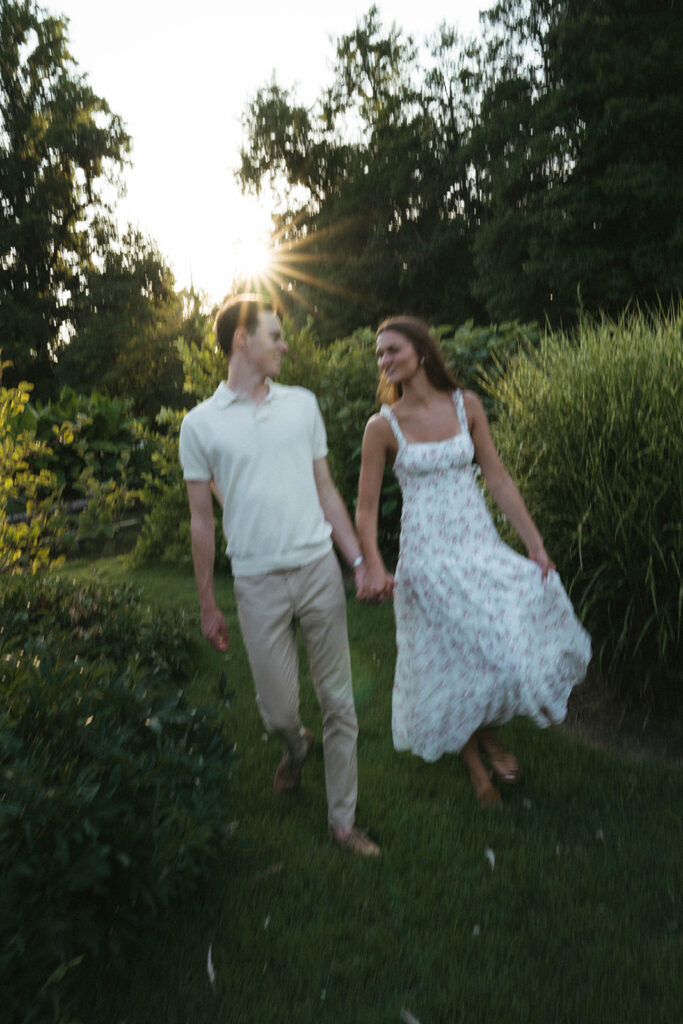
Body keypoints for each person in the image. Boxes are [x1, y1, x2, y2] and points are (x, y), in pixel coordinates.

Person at [355, 316, 591, 806]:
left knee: (502, 654)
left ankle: (484, 732)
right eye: (379, 355)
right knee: (447, 661)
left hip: (478, 547)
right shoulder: (383, 427)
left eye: (392, 349)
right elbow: (366, 506)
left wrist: (535, 544)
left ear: (421, 351)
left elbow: (499, 478)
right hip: (426, 558)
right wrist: (374, 565)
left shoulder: (467, 407)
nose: (385, 360)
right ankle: (476, 768)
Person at [179, 294, 380, 855]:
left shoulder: (302, 405)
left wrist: (357, 561)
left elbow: (326, 490)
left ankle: (343, 822)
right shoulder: (199, 425)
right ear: (241, 339)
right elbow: (200, 520)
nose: (284, 344)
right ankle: (294, 749)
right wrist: (207, 603)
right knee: (278, 713)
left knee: (340, 702)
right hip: (257, 582)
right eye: (274, 334)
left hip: (318, 569)